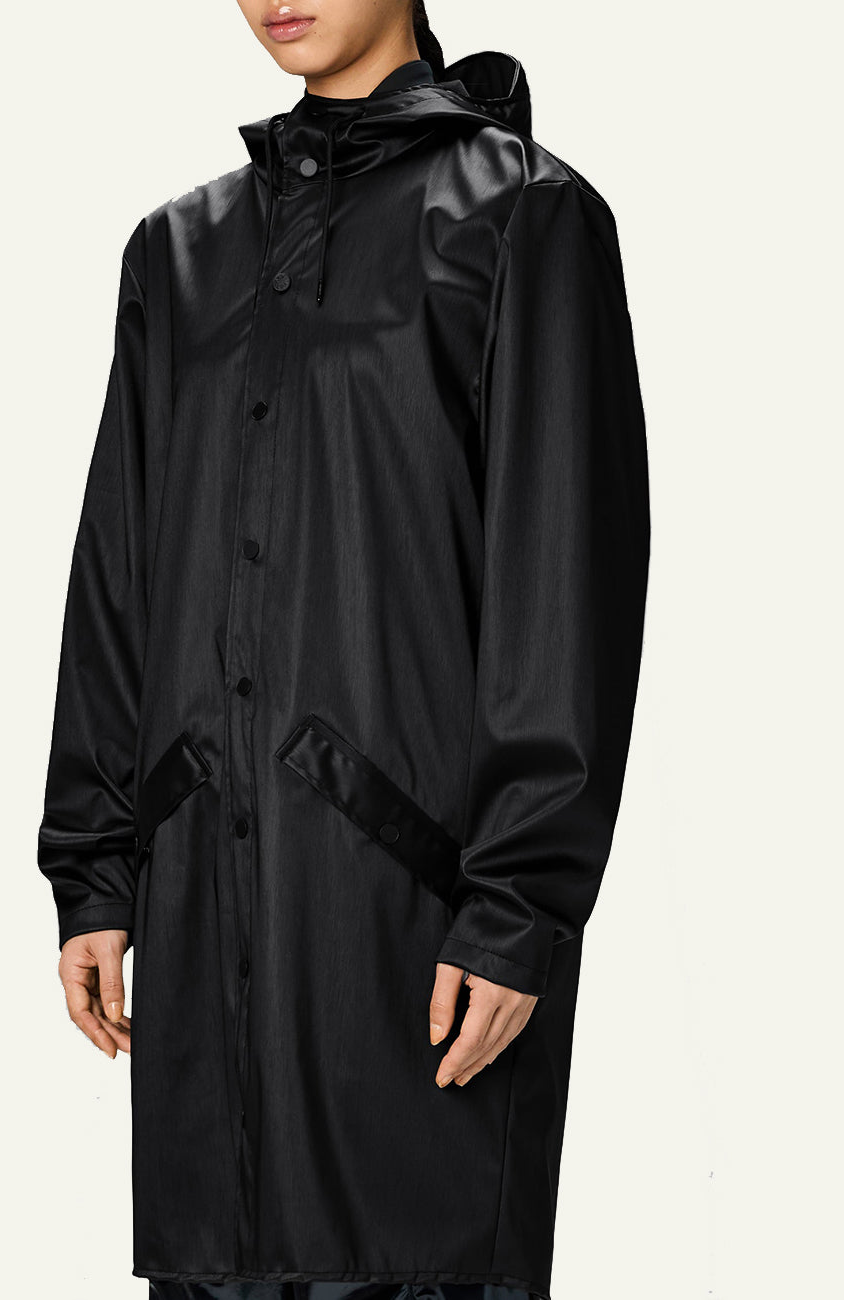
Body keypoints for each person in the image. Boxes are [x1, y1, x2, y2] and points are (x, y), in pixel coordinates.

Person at [36, 4, 650, 1300]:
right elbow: (117, 573)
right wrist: (95, 867)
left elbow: (566, 584)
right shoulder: (180, 253)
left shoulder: (524, 220)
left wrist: (518, 909)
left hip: (412, 928)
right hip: (203, 917)